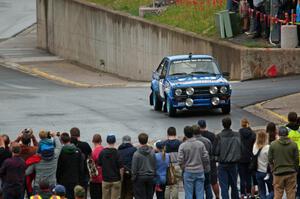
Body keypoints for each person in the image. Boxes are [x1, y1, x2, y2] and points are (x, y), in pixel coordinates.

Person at [178, 126, 210, 199]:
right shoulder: (200, 144)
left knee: (189, 193)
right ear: (193, 133)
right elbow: (206, 157)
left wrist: (183, 168)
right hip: (199, 170)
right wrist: (203, 166)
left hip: (188, 171)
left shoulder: (183, 146)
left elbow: (180, 160)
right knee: (200, 193)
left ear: (185, 134)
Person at [268, 126, 299, 199]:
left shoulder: (273, 144)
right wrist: (296, 169)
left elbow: (270, 159)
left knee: (278, 193)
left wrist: (273, 169)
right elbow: (297, 159)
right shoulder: (294, 144)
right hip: (291, 172)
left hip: (278, 173)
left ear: (278, 134)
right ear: (287, 134)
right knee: (291, 193)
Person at [214, 117, 241, 199]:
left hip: (222, 163)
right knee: (234, 185)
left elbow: (216, 151)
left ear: (222, 125)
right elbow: (240, 148)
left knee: (224, 187)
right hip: (233, 163)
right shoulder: (237, 135)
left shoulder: (219, 136)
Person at [56, 132, 84, 199]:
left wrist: (58, 179)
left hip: (64, 180)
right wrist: (80, 179)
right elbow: (81, 167)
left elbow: (59, 167)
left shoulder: (61, 152)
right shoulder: (78, 151)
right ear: (69, 140)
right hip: (75, 179)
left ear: (62, 141)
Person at [198, 120, 220, 199]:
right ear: (205, 125)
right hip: (211, 160)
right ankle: (217, 196)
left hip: (200, 161)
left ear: (198, 126)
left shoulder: (198, 137)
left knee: (201, 182)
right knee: (214, 181)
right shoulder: (212, 135)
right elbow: (216, 148)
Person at [131, 133, 156, 199]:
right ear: (147, 140)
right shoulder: (152, 152)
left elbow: (134, 168)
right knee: (149, 196)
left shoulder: (136, 154)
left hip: (140, 177)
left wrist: (133, 178)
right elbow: (154, 164)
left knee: (139, 196)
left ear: (139, 141)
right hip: (150, 176)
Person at [98, 134, 123, 199]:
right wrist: (121, 178)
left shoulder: (102, 152)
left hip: (106, 179)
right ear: (114, 141)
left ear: (107, 141)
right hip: (116, 179)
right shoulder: (118, 153)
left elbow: (99, 165)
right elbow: (121, 168)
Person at [191, 125, 213, 199]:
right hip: (206, 168)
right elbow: (210, 153)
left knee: (196, 188)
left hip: (195, 168)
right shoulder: (207, 141)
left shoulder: (190, 143)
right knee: (207, 186)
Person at [70, 127, 92, 196]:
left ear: (71, 135)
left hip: (73, 174)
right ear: (79, 135)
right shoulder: (85, 145)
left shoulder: (69, 147)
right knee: (83, 193)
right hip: (84, 173)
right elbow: (90, 156)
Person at [238, 118, 256, 198]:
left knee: (242, 177)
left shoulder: (238, 133)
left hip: (240, 157)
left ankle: (242, 194)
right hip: (249, 157)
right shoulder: (253, 134)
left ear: (242, 124)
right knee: (249, 177)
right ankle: (248, 194)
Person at [253, 130, 273, 199]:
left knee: (262, 191)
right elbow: (271, 160)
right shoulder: (268, 148)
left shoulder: (255, 146)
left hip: (258, 171)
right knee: (273, 190)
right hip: (267, 172)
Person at [164, 127, 181, 199]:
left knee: (167, 186)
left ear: (167, 134)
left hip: (167, 166)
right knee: (175, 185)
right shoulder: (179, 143)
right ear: (175, 133)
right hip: (177, 165)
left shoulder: (164, 143)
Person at [286, 112, 300, 198]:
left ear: (288, 119)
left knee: (291, 181)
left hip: (289, 159)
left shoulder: (285, 130)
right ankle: (298, 195)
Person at [118, 135, 137, 199]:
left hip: (121, 173)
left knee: (122, 191)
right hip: (130, 172)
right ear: (130, 141)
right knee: (129, 191)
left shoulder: (118, 150)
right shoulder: (134, 149)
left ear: (122, 142)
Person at [89, 134, 104, 199]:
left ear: (93, 141)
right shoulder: (104, 150)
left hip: (95, 180)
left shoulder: (92, 152)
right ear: (101, 141)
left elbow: (91, 167)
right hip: (104, 179)